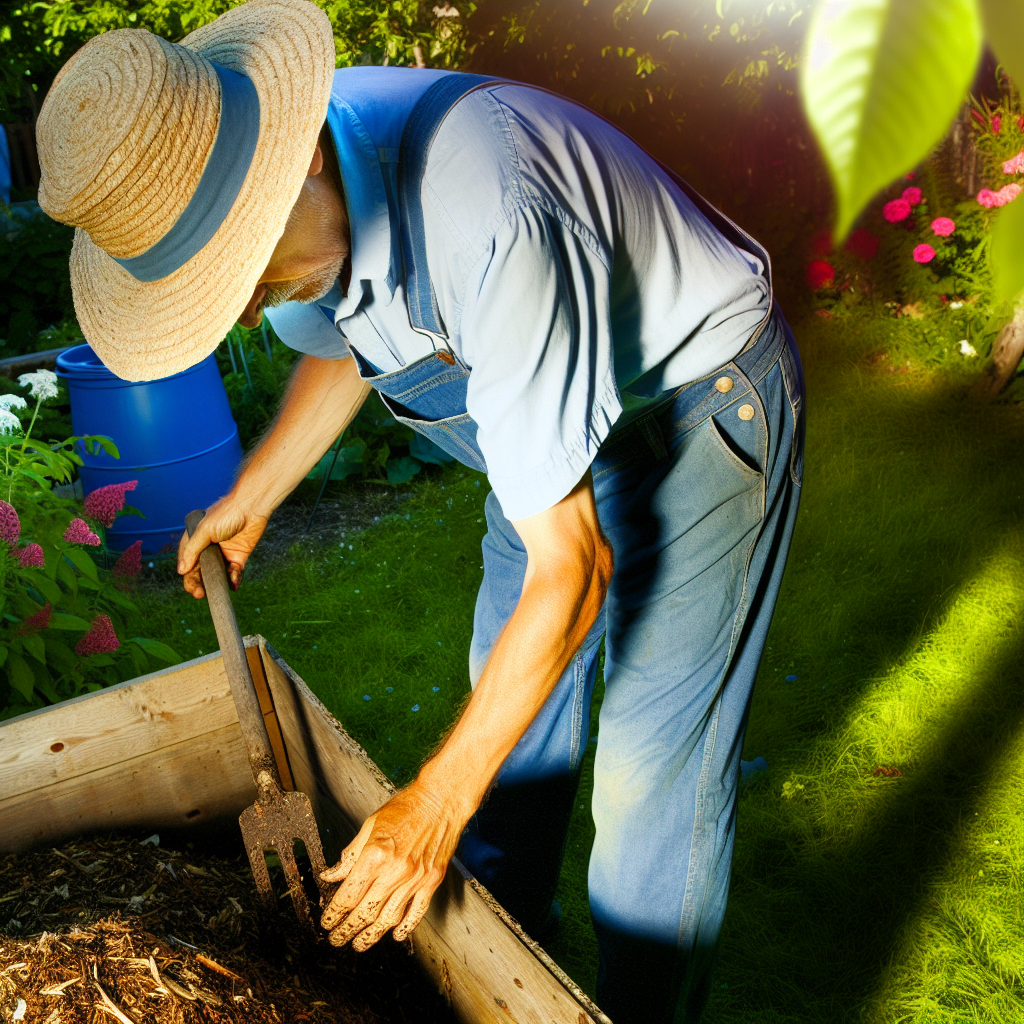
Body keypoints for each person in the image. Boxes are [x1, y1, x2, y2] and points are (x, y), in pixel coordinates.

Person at [35, 2, 804, 1019]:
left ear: (304, 155)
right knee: (512, 744)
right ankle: (500, 986)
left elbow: (567, 572)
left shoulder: (493, 213)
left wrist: (429, 808)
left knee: (645, 778)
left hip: (691, 413)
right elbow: (347, 337)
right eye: (230, 297)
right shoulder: (279, 199)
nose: (255, 307)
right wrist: (253, 491)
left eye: (253, 278)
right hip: (545, 424)